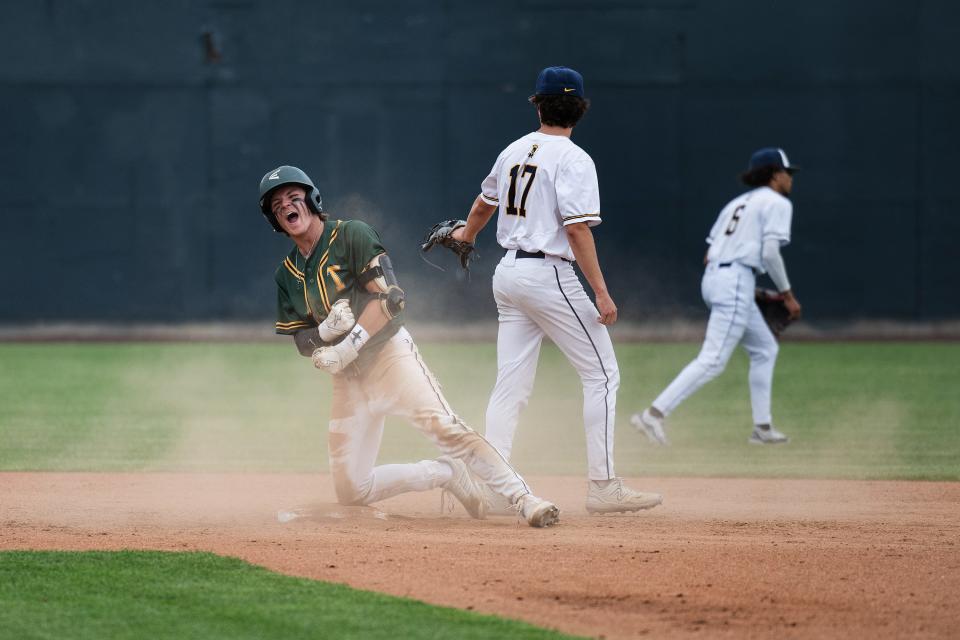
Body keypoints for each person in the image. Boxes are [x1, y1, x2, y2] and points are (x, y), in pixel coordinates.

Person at [260, 164, 559, 527]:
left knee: (445, 428)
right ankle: (445, 474)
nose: (286, 206)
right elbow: (302, 341)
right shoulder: (286, 273)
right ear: (275, 221)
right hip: (349, 380)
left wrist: (346, 345)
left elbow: (390, 300)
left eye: (293, 197)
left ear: (312, 199)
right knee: (352, 490)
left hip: (388, 358)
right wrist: (324, 333)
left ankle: (523, 498)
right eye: (277, 205)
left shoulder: (351, 234)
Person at [450, 67, 662, 514]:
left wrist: (467, 237)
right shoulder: (574, 157)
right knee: (602, 375)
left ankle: (495, 487)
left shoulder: (513, 150)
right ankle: (604, 487)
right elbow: (577, 229)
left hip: (508, 274)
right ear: (580, 109)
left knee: (510, 387)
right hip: (549, 275)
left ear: (538, 104)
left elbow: (482, 204)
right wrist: (601, 292)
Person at [630, 148, 803, 446]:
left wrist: (746, 287)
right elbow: (770, 253)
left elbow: (710, 253)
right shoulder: (777, 202)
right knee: (712, 360)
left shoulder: (737, 203)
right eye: (788, 172)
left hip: (719, 279)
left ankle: (762, 429)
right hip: (734, 280)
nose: (790, 178)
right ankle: (652, 415)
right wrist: (787, 295)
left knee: (764, 349)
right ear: (775, 174)